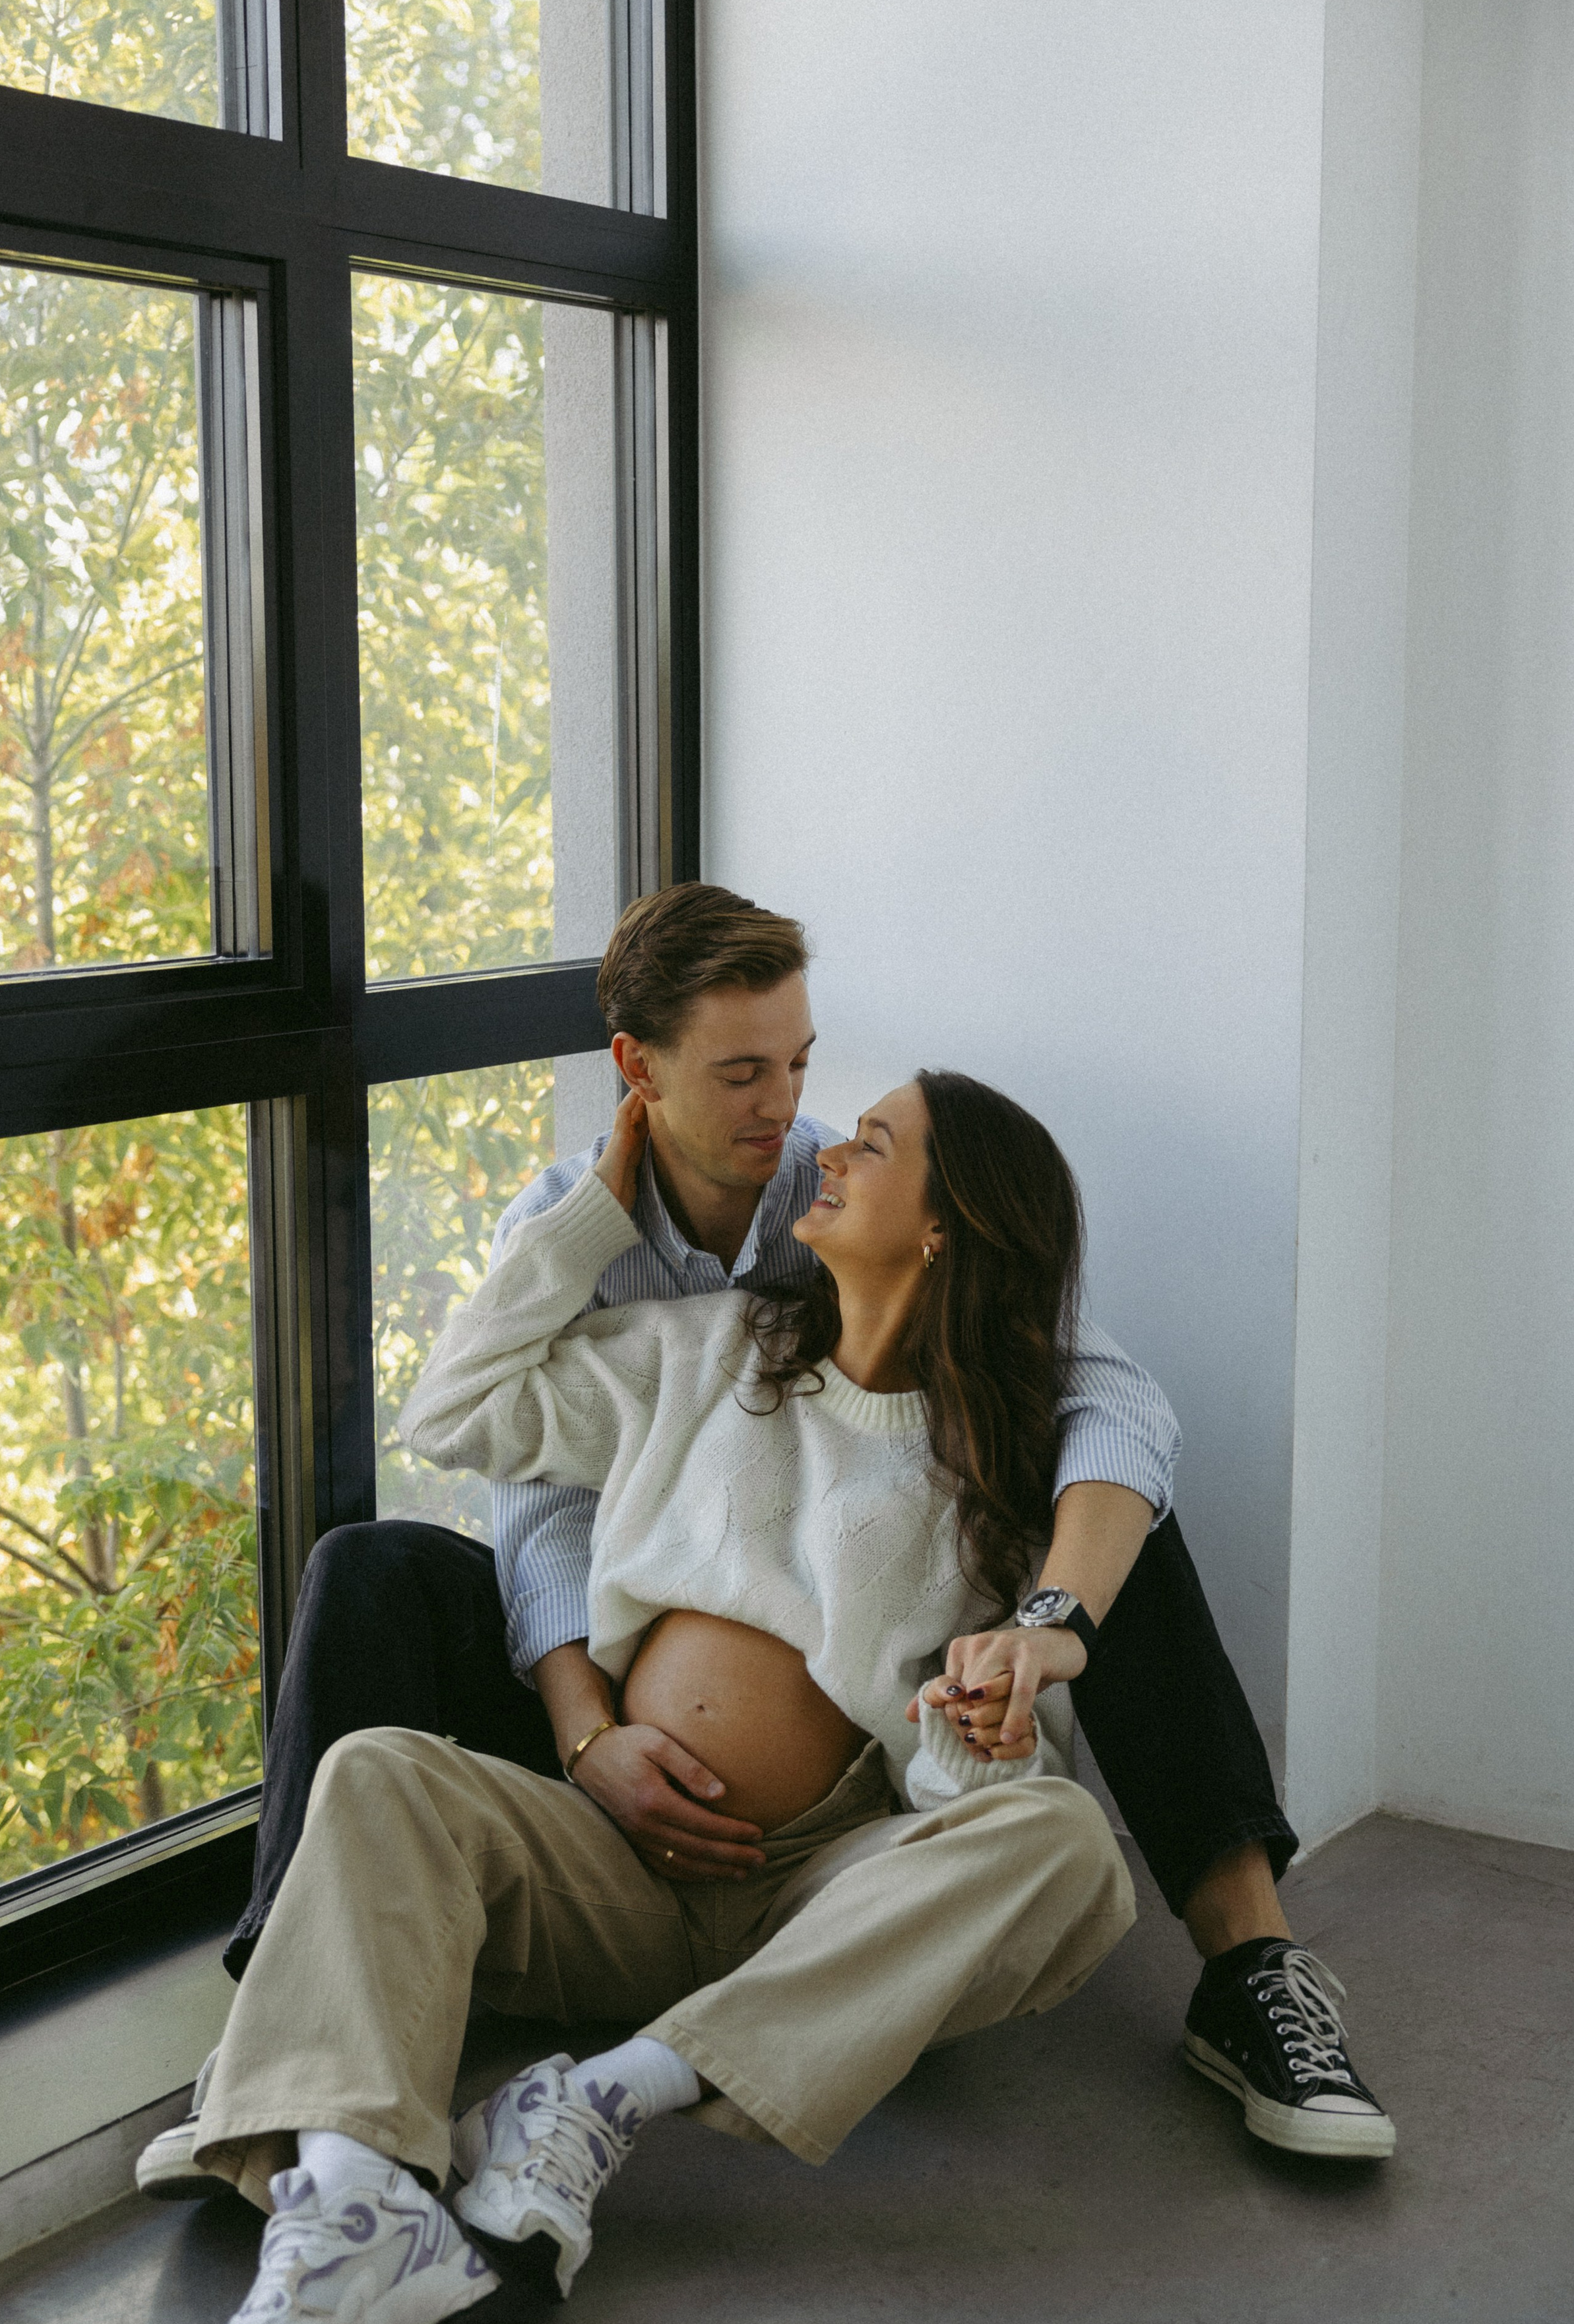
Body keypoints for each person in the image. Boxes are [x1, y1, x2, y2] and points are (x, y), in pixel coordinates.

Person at [138, 884, 1394, 2208]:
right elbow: (522, 1481)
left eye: (795, 1064)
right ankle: (281, 2038)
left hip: (826, 1811)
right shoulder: (574, 1235)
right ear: (637, 1069)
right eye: (739, 1072)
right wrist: (585, 1733)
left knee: (1111, 1512)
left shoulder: (832, 1192)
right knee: (369, 1566)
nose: (780, 1109)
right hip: (595, 1697)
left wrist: (1047, 1624)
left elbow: (1105, 1396)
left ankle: (1249, 1962)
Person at [179, 1067, 1141, 2324]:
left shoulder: (987, 1473)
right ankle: (348, 2208)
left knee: (1059, 1840)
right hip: (614, 1862)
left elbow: (942, 1799)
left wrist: (971, 1730)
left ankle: (599, 2105)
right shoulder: (708, 1346)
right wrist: (592, 1210)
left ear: (942, 1228)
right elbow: (452, 1413)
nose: (824, 1153)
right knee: (378, 1771)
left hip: (812, 1895)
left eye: (869, 1143)